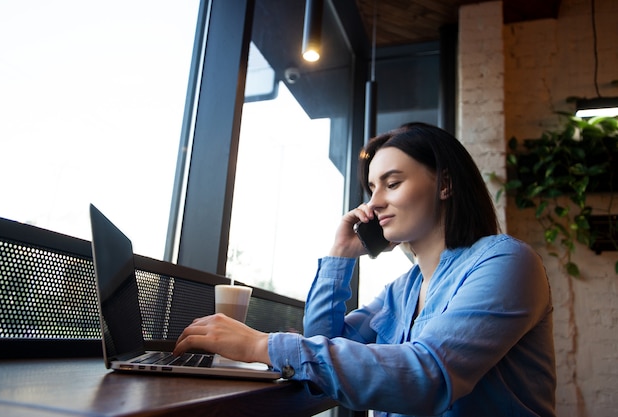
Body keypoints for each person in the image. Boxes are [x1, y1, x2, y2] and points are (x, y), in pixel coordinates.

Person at [174, 122, 556, 417]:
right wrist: (340, 255)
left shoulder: (505, 262)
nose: (374, 204)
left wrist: (261, 344)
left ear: (445, 183)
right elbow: (326, 347)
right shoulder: (401, 291)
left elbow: (430, 377)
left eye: (392, 183)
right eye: (372, 188)